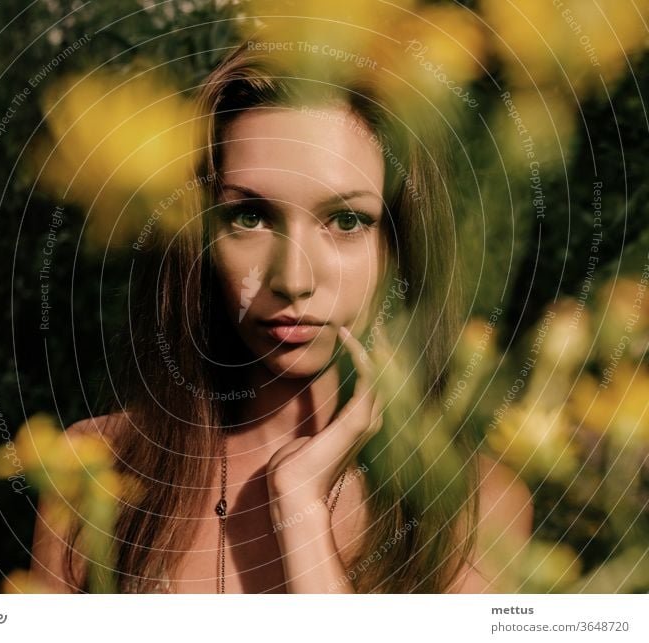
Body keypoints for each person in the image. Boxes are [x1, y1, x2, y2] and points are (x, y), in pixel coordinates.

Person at [29, 38, 533, 594]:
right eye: (250, 216)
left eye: (345, 221)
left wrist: (300, 508)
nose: (293, 279)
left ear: (400, 243)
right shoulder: (93, 468)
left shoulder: (474, 507)